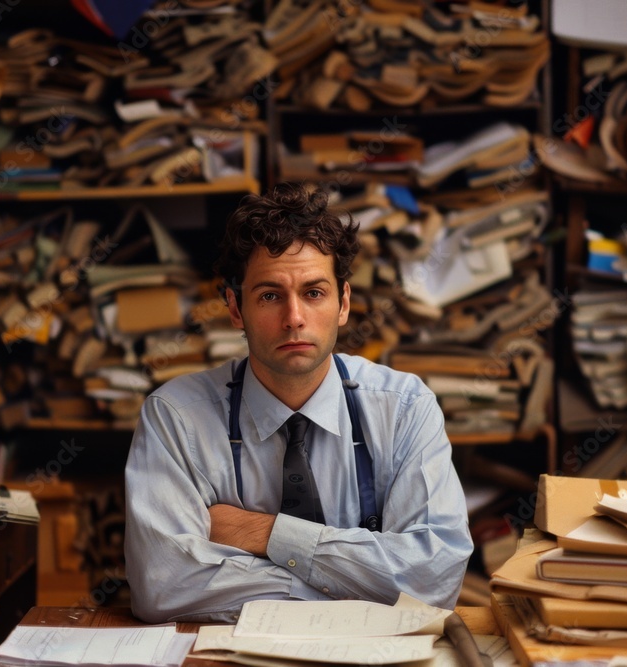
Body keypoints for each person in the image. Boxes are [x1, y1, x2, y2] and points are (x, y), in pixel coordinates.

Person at [124, 182, 472, 623]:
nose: (294, 318)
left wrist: (263, 533)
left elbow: (435, 577)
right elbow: (164, 585)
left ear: (343, 303)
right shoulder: (174, 417)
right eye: (270, 295)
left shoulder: (404, 408)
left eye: (314, 293)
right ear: (235, 309)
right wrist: (361, 585)